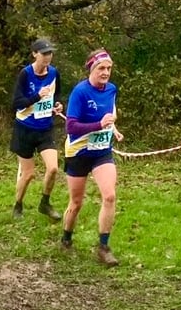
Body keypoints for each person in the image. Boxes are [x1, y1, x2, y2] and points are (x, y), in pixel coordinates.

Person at [60, 49, 124, 267]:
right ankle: (66, 238)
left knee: (109, 197)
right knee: (76, 203)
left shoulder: (112, 90)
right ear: (91, 69)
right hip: (78, 153)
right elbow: (71, 126)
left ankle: (103, 248)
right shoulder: (80, 92)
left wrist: (113, 129)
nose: (106, 72)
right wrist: (99, 125)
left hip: (101, 153)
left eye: (109, 68)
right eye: (101, 68)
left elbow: (109, 115)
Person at [10, 38, 64, 221]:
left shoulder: (54, 73)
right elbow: (17, 103)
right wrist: (36, 96)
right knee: (28, 174)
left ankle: (45, 203)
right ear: (34, 54)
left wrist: (57, 105)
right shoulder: (25, 74)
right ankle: (18, 204)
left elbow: (56, 94)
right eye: (44, 53)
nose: (48, 57)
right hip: (24, 129)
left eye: (50, 53)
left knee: (53, 168)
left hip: (44, 128)